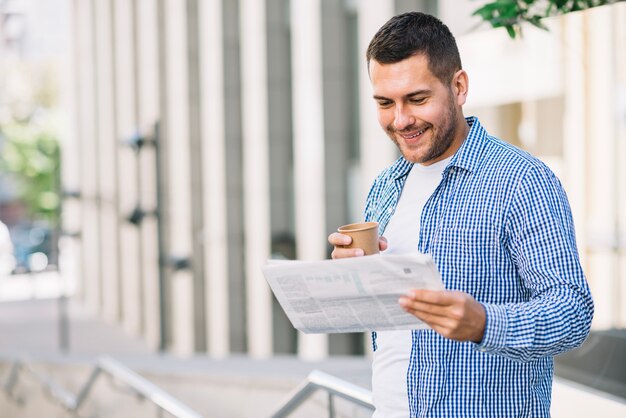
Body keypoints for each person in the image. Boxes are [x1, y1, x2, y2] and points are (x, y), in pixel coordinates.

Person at [328, 12, 594, 418]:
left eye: (417, 99)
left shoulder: (522, 181)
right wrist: (358, 275)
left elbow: (572, 311)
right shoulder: (385, 186)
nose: (400, 120)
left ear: (458, 86)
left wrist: (485, 323)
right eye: (385, 103)